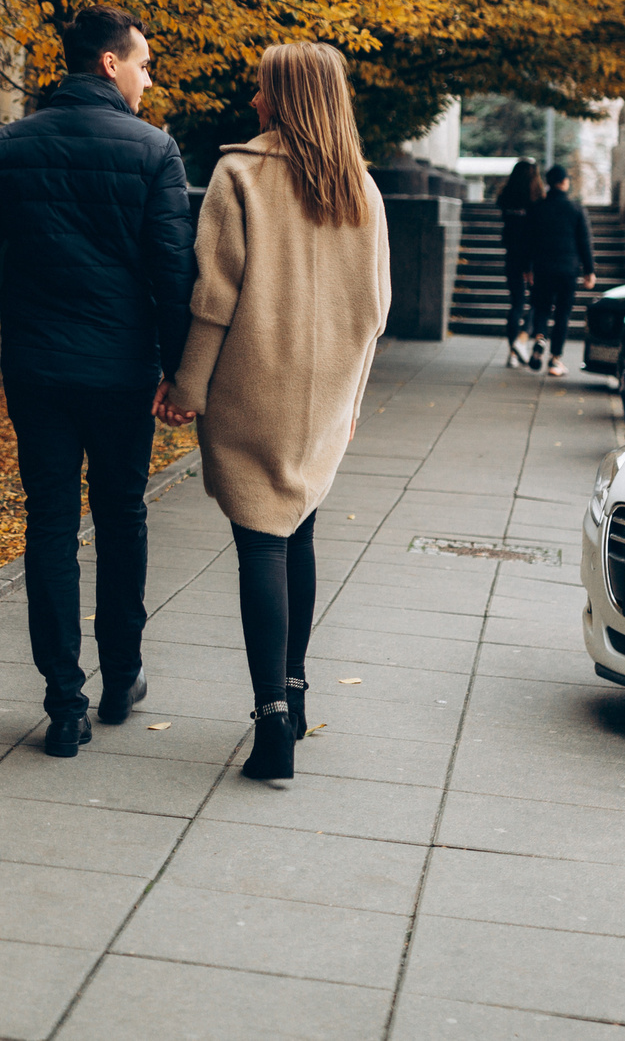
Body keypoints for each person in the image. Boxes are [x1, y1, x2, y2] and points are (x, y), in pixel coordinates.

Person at [0, 5, 196, 759]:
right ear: (111, 63)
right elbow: (173, 273)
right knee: (121, 518)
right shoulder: (155, 150)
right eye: (143, 63)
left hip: (40, 369)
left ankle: (63, 702)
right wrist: (180, 372)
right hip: (122, 371)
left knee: (49, 524)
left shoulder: (11, 144)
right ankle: (121, 678)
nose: (148, 78)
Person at [165, 43, 389, 783]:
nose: (254, 99)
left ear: (286, 97)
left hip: (252, 383)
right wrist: (351, 401)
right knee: (301, 529)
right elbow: (376, 312)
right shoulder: (361, 188)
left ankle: (271, 724)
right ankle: (294, 694)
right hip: (325, 395)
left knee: (261, 542)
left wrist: (187, 387)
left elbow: (214, 297)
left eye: (263, 88)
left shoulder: (239, 175)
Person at [527, 163, 595, 378]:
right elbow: (584, 242)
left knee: (542, 308)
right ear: (565, 182)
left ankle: (540, 337)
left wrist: (527, 268)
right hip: (568, 269)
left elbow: (528, 241)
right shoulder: (576, 209)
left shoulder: (537, 208)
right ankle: (555, 360)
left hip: (542, 268)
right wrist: (589, 271)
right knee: (563, 314)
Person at [495, 159, 541, 369]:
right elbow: (532, 235)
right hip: (531, 258)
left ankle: (512, 354)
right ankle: (522, 339)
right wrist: (529, 266)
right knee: (538, 302)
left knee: (516, 303)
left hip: (512, 257)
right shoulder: (536, 199)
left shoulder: (507, 197)